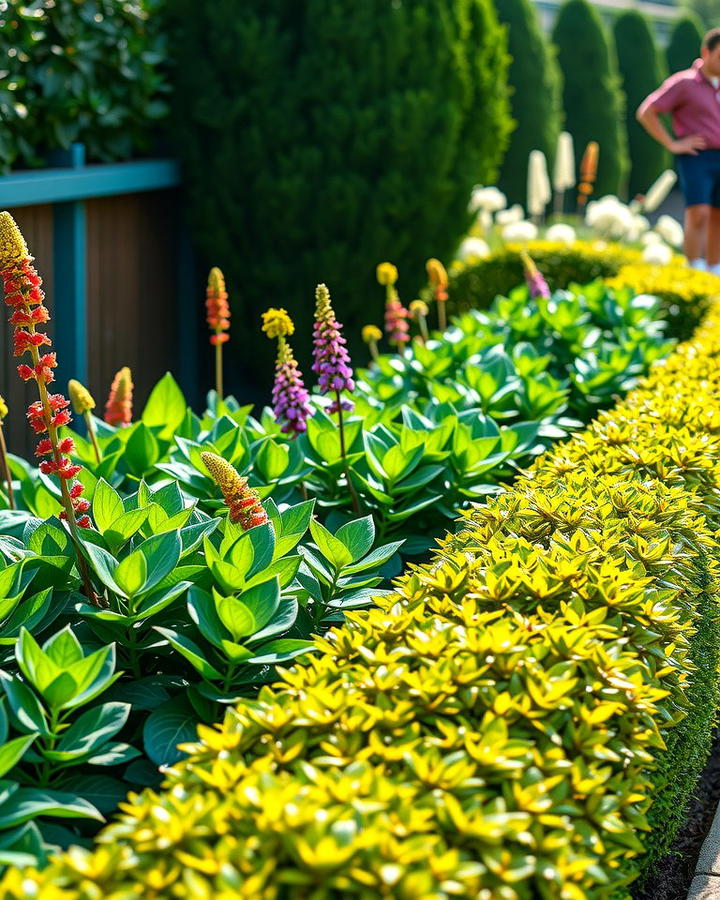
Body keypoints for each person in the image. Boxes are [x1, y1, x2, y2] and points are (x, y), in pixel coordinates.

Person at [637, 27, 720, 273]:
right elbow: (647, 111)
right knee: (699, 213)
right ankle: (693, 267)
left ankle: (715, 270)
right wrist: (673, 144)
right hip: (697, 158)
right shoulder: (684, 83)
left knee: (718, 216)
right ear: (706, 52)